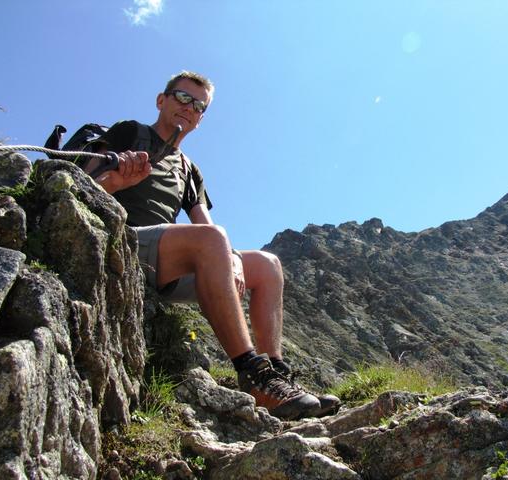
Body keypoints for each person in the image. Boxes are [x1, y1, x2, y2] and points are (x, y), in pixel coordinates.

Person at [82, 71, 339, 420]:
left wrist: (231, 258)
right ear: (161, 100)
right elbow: (83, 185)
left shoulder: (189, 170)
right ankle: (251, 373)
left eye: (199, 106)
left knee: (268, 265)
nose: (190, 108)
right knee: (216, 241)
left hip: (164, 261)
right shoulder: (131, 132)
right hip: (121, 241)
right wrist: (115, 181)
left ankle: (276, 378)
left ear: (201, 118)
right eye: (182, 97)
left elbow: (205, 225)